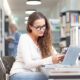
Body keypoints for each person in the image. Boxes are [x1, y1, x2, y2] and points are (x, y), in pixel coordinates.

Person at [9, 12, 65, 80]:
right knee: (46, 76)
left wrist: (61, 57)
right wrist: (50, 60)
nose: (42, 30)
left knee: (53, 76)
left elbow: (55, 55)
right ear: (30, 26)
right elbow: (28, 64)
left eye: (44, 26)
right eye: (38, 27)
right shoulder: (24, 38)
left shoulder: (44, 41)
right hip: (19, 74)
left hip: (35, 75)